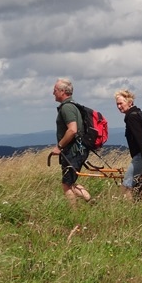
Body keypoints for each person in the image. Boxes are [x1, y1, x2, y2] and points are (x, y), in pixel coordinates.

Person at [51, 78, 91, 207]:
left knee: (66, 185)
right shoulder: (73, 105)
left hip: (73, 151)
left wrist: (59, 146)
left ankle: (74, 213)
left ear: (63, 92)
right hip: (78, 150)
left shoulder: (67, 108)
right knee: (70, 181)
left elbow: (72, 130)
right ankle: (89, 200)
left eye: (55, 90)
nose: (53, 93)